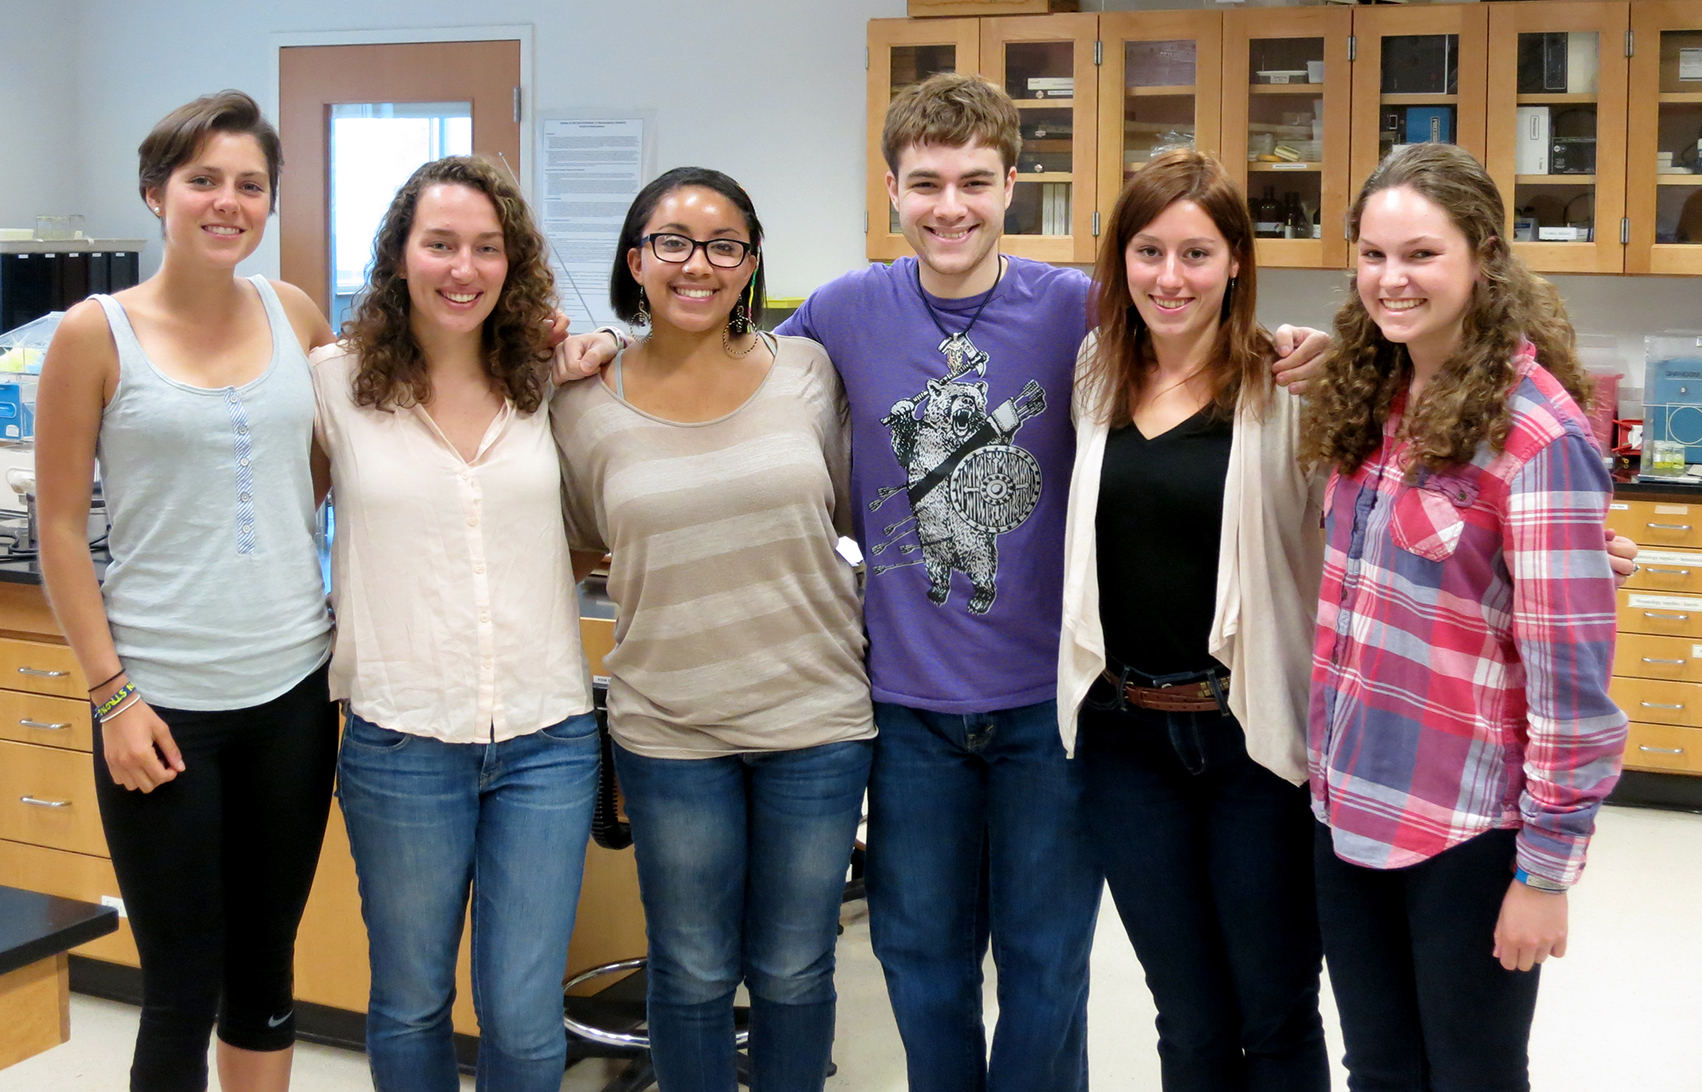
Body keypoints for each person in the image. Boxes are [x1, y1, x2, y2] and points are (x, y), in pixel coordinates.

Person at [556, 73, 1337, 1092]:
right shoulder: (841, 311)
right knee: (920, 964)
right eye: (925, 183)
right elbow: (725, 367)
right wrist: (607, 345)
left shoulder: (1081, 309)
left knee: (1047, 968)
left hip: (1054, 713)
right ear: (891, 191)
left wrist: (1292, 349)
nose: (950, 206)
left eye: (974, 180)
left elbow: (1191, 334)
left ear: (1012, 183)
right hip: (908, 712)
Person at [1299, 142, 1629, 1090]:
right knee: (1380, 1070)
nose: (1391, 279)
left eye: (1421, 254)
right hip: (1348, 809)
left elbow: (1573, 688)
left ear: (1483, 257)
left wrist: (1545, 873)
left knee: (1473, 1075)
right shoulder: (1376, 397)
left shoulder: (1536, 434)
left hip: (1466, 833)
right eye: (1372, 254)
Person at [35, 90, 338, 1092]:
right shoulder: (93, 333)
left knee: (263, 971)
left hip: (292, 695)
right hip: (160, 707)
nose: (227, 201)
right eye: (203, 179)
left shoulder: (293, 313)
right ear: (155, 192)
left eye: (250, 184)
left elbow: (331, 464)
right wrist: (111, 694)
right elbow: (61, 531)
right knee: (180, 984)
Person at [551, 166, 875, 1092]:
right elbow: (570, 550)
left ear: (751, 264)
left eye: (724, 244)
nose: (698, 265)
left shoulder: (808, 373)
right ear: (636, 261)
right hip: (670, 728)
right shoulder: (582, 399)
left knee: (794, 969)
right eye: (673, 243)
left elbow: (856, 514)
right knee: (690, 972)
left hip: (814, 722)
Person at [310, 155, 601, 1092]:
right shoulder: (336, 385)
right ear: (400, 255)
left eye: (486, 248)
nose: (462, 269)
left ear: (512, 264)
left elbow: (596, 518)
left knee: (521, 1018)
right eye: (439, 244)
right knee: (409, 1002)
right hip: (400, 738)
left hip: (546, 737)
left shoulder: (546, 382)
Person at [1055, 149, 1329, 1091]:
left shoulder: (1288, 388)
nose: (1170, 278)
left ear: (1238, 262)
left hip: (1251, 742)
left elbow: (1392, 505)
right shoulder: (1094, 374)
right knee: (1188, 1016)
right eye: (1148, 251)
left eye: (1197, 254)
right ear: (1120, 261)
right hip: (1126, 744)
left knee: (1277, 1012)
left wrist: (1569, 547)